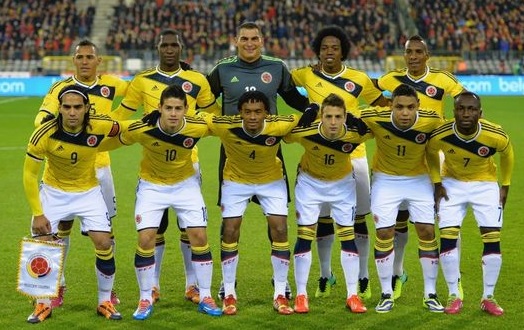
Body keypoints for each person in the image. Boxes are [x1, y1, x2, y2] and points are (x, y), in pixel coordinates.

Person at [112, 29, 220, 304]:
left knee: (191, 229)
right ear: (158, 48)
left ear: (182, 48)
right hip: (154, 164)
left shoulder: (197, 80)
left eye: (174, 45)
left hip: (188, 163)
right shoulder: (142, 80)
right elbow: (122, 117)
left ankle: (192, 285)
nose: (170, 49)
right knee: (155, 229)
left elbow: (215, 116)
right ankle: (154, 285)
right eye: (165, 45)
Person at [207, 21, 310, 300]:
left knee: (277, 222)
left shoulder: (276, 67)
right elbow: (204, 98)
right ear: (235, 41)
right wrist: (223, 120)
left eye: (254, 39)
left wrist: (315, 110)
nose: (249, 43)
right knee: (230, 223)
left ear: (262, 41)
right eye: (244, 39)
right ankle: (226, 283)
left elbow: (291, 97)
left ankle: (282, 281)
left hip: (269, 150)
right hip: (233, 152)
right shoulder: (223, 69)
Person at [291, 25, 389, 300]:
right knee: (321, 219)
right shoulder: (306, 73)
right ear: (317, 51)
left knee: (358, 219)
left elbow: (382, 104)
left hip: (353, 156)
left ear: (343, 50)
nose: (329, 52)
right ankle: (325, 275)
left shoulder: (358, 78)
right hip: (316, 155)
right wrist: (304, 109)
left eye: (335, 47)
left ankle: (363, 277)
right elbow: (283, 84)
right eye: (324, 48)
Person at [33, 39, 128, 308]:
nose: (85, 61)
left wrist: (117, 119)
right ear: (73, 61)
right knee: (61, 226)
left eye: (90, 57)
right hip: (63, 168)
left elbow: (139, 94)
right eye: (80, 57)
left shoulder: (112, 84)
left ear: (99, 61)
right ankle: (57, 284)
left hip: (99, 168)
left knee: (105, 232)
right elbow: (41, 119)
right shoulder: (61, 89)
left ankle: (107, 293)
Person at [375, 35, 466, 299]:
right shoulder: (391, 79)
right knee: (399, 220)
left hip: (435, 157)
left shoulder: (443, 78)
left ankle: (454, 277)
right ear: (404, 55)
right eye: (409, 52)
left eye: (418, 52)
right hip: (402, 160)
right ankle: (398, 272)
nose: (413, 56)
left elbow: (465, 99)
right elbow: (369, 90)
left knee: (446, 220)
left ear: (426, 55)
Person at [23, 85, 124, 323]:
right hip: (53, 191)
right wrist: (38, 213)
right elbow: (28, 175)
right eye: (66, 107)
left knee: (104, 241)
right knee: (41, 242)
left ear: (87, 108)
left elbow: (124, 130)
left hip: (88, 192)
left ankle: (104, 300)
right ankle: (42, 304)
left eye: (77, 107)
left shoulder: (99, 125)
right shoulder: (43, 134)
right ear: (59, 108)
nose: (72, 112)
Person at [201, 90, 304, 315]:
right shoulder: (225, 125)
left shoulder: (279, 124)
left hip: (271, 181)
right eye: (247, 112)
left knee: (279, 229)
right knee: (229, 231)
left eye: (258, 112)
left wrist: (314, 109)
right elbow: (199, 117)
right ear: (240, 113)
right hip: (236, 181)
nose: (253, 117)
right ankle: (229, 292)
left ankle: (280, 292)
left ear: (267, 113)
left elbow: (305, 117)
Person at [426, 92, 514, 316]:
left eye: (472, 109)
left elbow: (507, 153)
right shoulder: (442, 133)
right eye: (461, 108)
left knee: (492, 237)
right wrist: (437, 182)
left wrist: (505, 184)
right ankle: (454, 294)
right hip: (451, 184)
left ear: (480, 113)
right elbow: (430, 152)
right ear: (454, 111)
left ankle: (488, 297)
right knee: (448, 236)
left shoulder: (494, 134)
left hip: (484, 185)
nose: (466, 113)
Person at [359, 84, 444, 313]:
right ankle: (386, 293)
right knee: (384, 233)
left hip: (418, 179)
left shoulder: (432, 120)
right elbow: (345, 118)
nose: (404, 112)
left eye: (410, 107)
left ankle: (430, 294)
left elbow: (447, 141)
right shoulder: (374, 116)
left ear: (418, 106)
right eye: (399, 107)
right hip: (385, 180)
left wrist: (440, 182)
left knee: (427, 231)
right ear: (391, 106)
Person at [284, 93, 369, 313]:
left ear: (345, 117)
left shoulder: (354, 133)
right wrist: (307, 110)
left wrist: (357, 120)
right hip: (310, 185)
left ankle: (352, 295)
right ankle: (301, 295)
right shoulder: (307, 131)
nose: (333, 122)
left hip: (342, 186)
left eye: (338, 117)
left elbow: (382, 127)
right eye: (328, 116)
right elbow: (284, 134)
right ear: (321, 116)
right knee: (305, 235)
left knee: (347, 236)